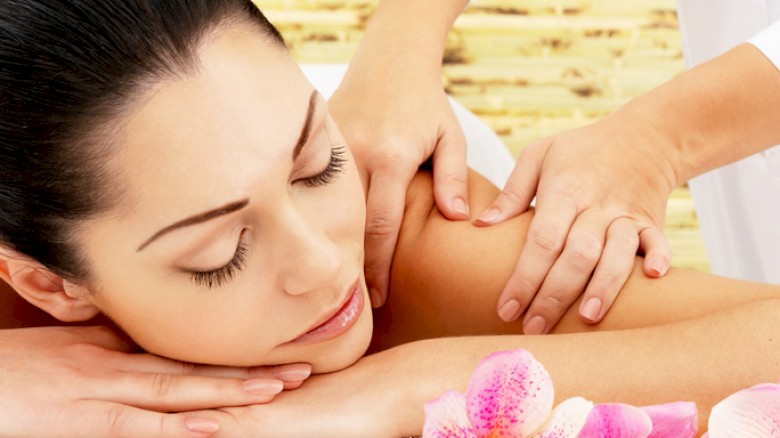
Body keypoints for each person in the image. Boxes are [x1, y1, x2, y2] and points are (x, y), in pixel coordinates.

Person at [3, 1, 780, 436]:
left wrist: (409, 387)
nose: (322, 265)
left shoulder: (393, 241)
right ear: (48, 283)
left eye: (316, 165)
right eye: (220, 254)